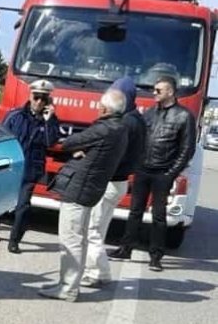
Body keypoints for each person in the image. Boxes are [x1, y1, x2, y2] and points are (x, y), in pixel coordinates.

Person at [39, 90, 128, 302]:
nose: (98, 108)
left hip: (79, 188)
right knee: (80, 238)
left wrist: (79, 148)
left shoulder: (104, 127)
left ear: (105, 109)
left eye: (99, 106)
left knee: (70, 239)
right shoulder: (121, 128)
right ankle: (70, 284)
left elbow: (70, 143)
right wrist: (86, 151)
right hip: (92, 188)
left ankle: (68, 288)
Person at [107, 76, 197, 270]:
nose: (153, 93)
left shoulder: (184, 116)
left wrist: (170, 174)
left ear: (170, 92)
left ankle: (156, 256)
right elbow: (139, 139)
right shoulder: (148, 113)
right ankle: (125, 248)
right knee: (135, 212)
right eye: (154, 90)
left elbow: (187, 150)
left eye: (158, 90)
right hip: (142, 170)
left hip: (163, 173)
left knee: (158, 216)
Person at [80, 78, 146, 288]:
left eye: (117, 95)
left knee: (92, 230)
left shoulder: (125, 123)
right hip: (119, 182)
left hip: (109, 182)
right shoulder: (137, 119)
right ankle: (101, 273)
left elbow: (113, 153)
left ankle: (96, 273)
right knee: (99, 229)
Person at [0, 79, 60, 254]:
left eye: (43, 99)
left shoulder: (49, 121)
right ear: (30, 96)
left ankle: (14, 240)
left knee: (23, 206)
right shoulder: (15, 115)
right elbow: (0, 138)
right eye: (36, 97)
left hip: (30, 169)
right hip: (11, 167)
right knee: (2, 201)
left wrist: (49, 121)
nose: (39, 102)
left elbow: (51, 142)